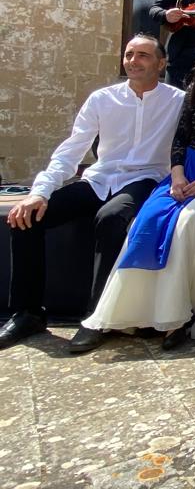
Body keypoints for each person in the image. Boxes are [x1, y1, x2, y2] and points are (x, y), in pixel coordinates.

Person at [81, 24, 195, 350]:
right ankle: (143, 313)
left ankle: (177, 316)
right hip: (188, 171)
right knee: (146, 222)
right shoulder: (193, 88)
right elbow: (180, 137)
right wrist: (178, 175)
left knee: (188, 222)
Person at [1, 35, 184, 352]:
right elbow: (71, 150)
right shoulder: (102, 99)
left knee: (111, 218)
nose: (133, 60)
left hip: (145, 178)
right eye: (129, 54)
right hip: (100, 178)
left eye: (143, 55)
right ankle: (27, 313)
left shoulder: (179, 101)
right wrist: (39, 192)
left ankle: (96, 318)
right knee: (28, 218)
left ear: (161, 63)